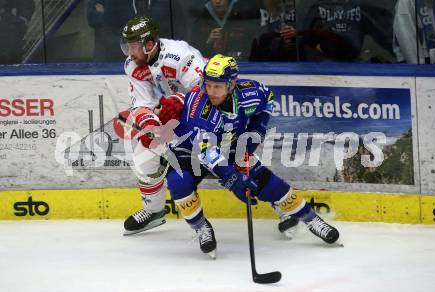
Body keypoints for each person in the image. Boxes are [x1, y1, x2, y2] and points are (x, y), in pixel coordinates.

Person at [165, 54, 340, 257]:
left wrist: (257, 129)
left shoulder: (249, 92)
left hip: (230, 146)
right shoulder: (198, 110)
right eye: (208, 84)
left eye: (217, 86)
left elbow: (268, 99)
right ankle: (201, 227)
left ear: (232, 84)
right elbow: (206, 153)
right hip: (190, 149)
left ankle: (311, 219)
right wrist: (232, 178)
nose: (211, 91)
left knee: (268, 184)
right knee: (179, 182)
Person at [119, 15, 207, 235]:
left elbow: (209, 92)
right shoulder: (133, 65)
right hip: (171, 117)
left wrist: (177, 101)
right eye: (127, 46)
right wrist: (150, 123)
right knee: (143, 156)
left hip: (205, 116)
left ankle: (283, 206)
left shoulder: (180, 55)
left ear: (149, 44)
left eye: (134, 46)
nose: (130, 53)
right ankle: (154, 211)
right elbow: (142, 104)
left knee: (234, 154)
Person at [188, 0, 260, 60]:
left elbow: (252, 49)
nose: (218, 1)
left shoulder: (243, 17)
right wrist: (208, 41)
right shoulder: (200, 20)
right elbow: (193, 53)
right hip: (208, 67)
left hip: (241, 66)